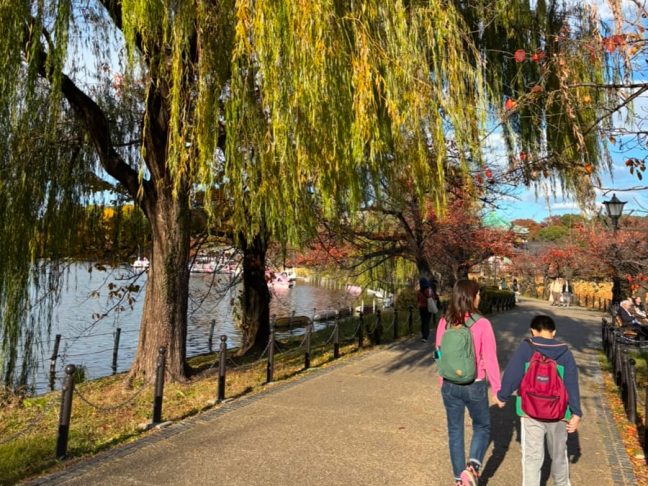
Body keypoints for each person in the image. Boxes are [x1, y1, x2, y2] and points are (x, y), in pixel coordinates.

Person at [495, 315, 582, 486]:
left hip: (530, 411)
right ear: (553, 332)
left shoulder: (526, 347)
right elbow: (571, 383)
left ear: (533, 331)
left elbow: (513, 374)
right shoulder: (565, 352)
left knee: (532, 457)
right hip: (559, 412)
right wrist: (576, 413)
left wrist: (502, 396)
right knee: (559, 455)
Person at [435, 279, 501, 486]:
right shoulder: (482, 323)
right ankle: (472, 467)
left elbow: (438, 353)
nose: (480, 297)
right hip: (475, 383)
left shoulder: (444, 322)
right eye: (478, 294)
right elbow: (490, 358)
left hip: (449, 384)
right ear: (471, 297)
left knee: (455, 431)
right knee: (481, 426)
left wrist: (441, 380)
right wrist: (497, 390)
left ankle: (459, 480)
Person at [417, 278, 433, 342]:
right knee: (427, 321)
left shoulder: (419, 292)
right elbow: (432, 297)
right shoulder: (429, 290)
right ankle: (425, 336)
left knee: (423, 321)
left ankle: (423, 334)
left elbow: (418, 300)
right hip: (428, 307)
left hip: (421, 308)